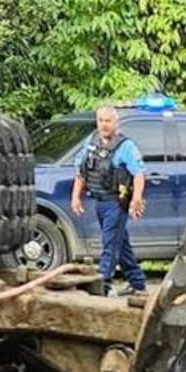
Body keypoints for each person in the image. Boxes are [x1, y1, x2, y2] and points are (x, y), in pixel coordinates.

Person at [70, 103, 149, 298]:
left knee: (110, 243)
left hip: (116, 203)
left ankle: (102, 284)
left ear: (116, 122)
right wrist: (75, 197)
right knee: (120, 243)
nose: (104, 125)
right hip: (99, 202)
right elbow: (81, 172)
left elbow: (139, 174)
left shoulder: (125, 146)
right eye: (100, 120)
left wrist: (136, 199)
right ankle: (137, 283)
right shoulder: (91, 141)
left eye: (108, 121)